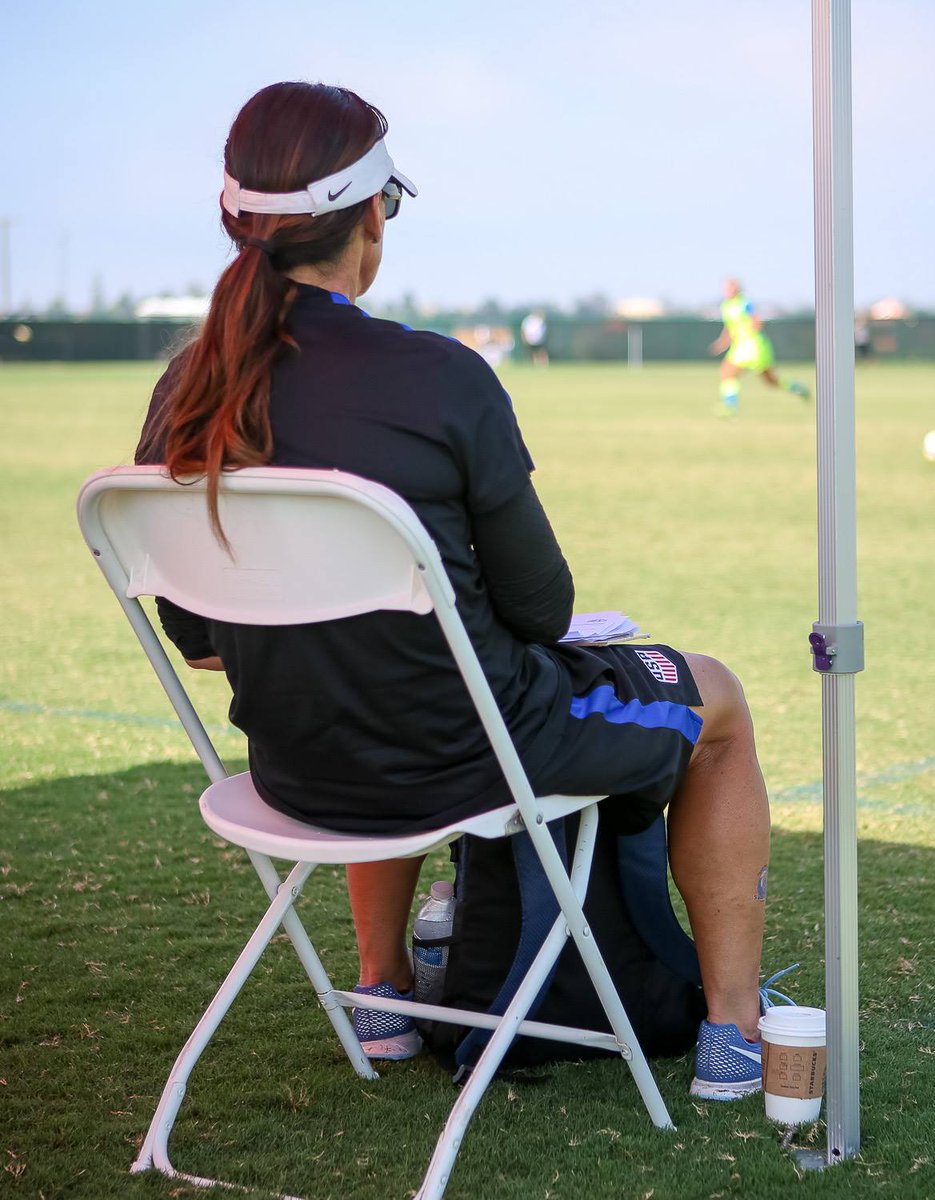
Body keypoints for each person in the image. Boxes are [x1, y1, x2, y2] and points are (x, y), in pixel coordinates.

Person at [133, 81, 774, 1103]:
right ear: (372, 216)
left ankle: (383, 994)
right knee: (722, 703)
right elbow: (543, 614)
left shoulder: (189, 393)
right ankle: (735, 1033)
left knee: (358, 675)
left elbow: (199, 641)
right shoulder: (442, 377)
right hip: (469, 761)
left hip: (299, 775)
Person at [709, 278, 810, 416]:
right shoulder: (726, 306)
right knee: (769, 380)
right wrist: (722, 342)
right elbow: (729, 327)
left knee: (729, 372)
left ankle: (730, 408)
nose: (727, 290)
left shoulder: (744, 302)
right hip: (741, 345)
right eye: (725, 288)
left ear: (737, 289)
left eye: (730, 287)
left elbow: (755, 320)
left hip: (753, 344)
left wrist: (754, 325)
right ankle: (797, 388)